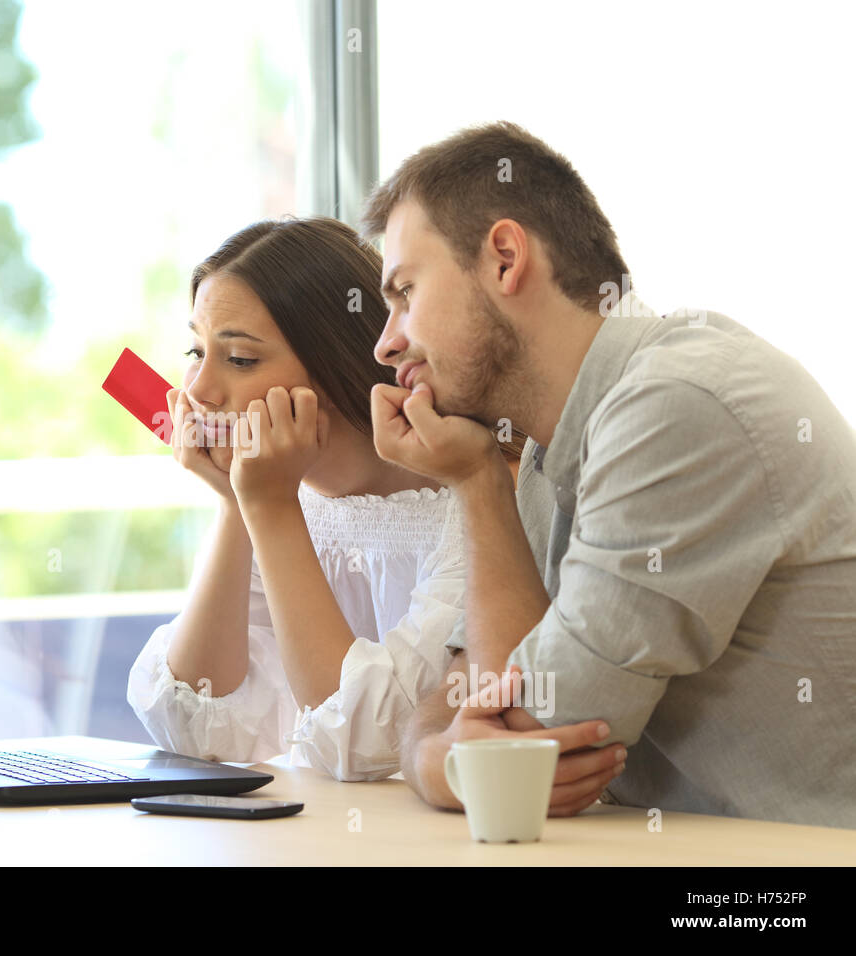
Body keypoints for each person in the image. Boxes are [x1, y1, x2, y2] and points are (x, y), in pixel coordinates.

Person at [363, 120, 856, 826]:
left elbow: (528, 755)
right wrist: (432, 756)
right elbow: (463, 700)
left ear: (504, 257)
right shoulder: (541, 447)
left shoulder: (676, 405)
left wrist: (451, 756)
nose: (387, 344)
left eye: (405, 293)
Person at [125, 216, 524, 781]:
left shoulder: (476, 501)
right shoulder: (279, 498)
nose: (197, 392)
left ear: (335, 367)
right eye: (196, 353)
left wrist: (269, 508)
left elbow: (368, 746)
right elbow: (197, 728)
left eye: (239, 359)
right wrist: (237, 507)